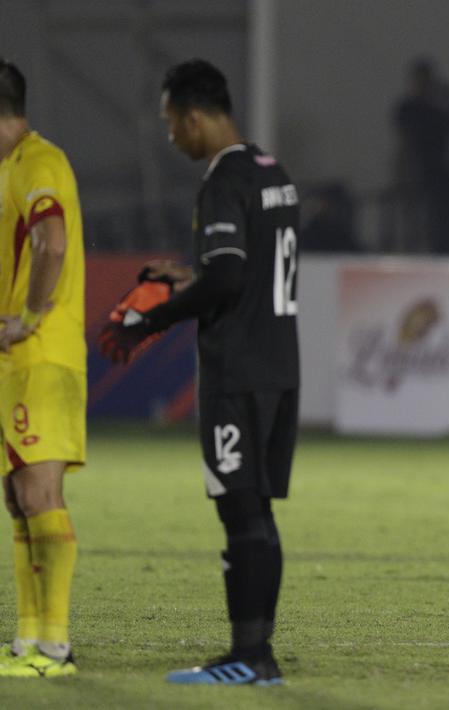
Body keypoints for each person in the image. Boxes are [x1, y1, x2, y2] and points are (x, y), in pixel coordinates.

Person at [105, 59, 299, 685]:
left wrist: (148, 322)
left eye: (170, 125)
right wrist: (188, 277)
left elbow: (227, 278)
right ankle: (256, 652)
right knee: (257, 511)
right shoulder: (273, 172)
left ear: (192, 116)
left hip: (237, 369)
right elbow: (246, 271)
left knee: (238, 512)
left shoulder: (223, 181)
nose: (171, 138)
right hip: (279, 366)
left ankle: (250, 657)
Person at [0, 59, 86, 679]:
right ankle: (28, 642)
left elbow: (51, 241)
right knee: (17, 496)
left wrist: (30, 316)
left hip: (42, 353)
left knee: (39, 493)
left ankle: (53, 648)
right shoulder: (14, 167)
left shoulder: (38, 160)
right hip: (19, 357)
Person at [389, 57, 449, 254]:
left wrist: (444, 103)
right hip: (416, 173)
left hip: (440, 175)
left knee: (443, 224)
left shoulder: (439, 107)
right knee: (415, 225)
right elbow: (405, 128)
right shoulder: (409, 108)